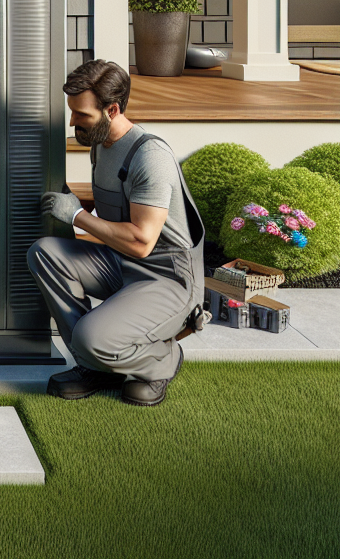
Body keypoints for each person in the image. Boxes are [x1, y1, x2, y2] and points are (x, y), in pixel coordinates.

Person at [28, 59, 206, 407]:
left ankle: (160, 361)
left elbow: (141, 242)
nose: (72, 122)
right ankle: (94, 365)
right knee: (45, 253)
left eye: (82, 115)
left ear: (112, 109)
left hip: (165, 277)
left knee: (92, 337)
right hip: (118, 261)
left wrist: (78, 216)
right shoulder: (101, 145)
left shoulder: (149, 157)